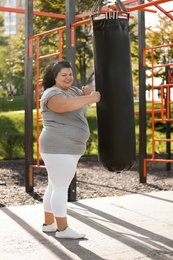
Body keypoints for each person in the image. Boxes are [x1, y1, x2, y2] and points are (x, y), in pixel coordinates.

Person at [39, 60, 101, 239]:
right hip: (59, 147)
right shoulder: (52, 93)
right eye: (63, 75)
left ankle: (49, 224)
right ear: (54, 77)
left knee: (54, 185)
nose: (68, 78)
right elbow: (64, 106)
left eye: (70, 74)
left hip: (67, 148)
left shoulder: (72, 91)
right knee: (60, 187)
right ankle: (63, 229)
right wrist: (90, 98)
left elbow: (77, 104)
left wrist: (87, 95)